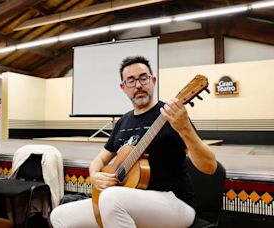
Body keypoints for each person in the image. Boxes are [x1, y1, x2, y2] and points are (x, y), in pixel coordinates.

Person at [50, 56, 217, 228]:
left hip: (174, 202)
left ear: (153, 81)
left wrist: (185, 129)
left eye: (143, 78)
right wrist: (95, 176)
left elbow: (210, 166)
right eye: (131, 81)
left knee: (111, 198)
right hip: (126, 198)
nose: (138, 85)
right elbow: (98, 161)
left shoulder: (171, 115)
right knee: (60, 216)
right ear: (123, 87)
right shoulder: (123, 121)